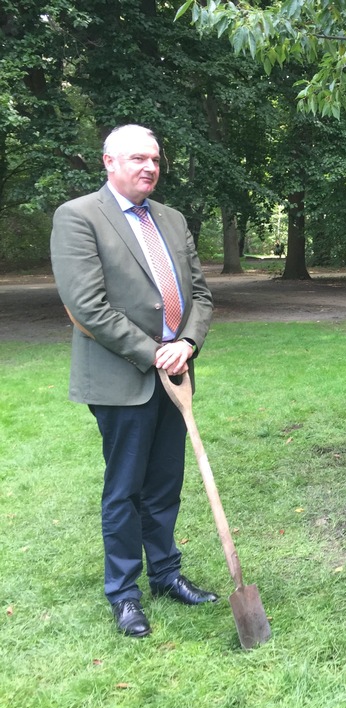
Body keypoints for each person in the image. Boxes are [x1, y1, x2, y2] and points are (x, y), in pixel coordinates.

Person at [50, 124, 216, 637]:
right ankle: (123, 593)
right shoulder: (79, 217)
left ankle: (166, 574)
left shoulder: (171, 218)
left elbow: (202, 295)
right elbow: (88, 308)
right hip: (123, 379)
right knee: (125, 489)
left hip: (178, 372)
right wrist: (155, 353)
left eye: (156, 159)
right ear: (109, 162)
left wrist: (185, 344)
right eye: (138, 158)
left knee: (166, 483)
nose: (149, 167)